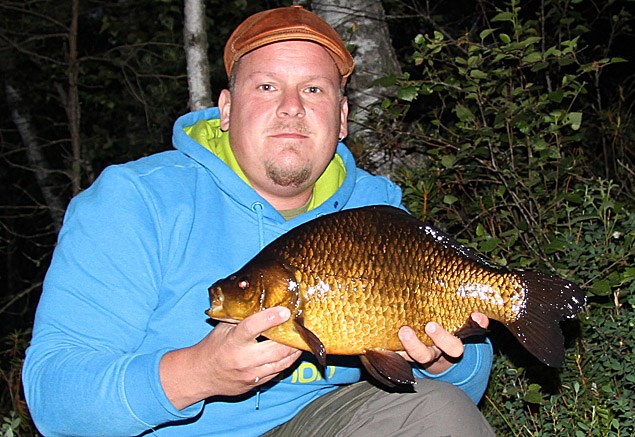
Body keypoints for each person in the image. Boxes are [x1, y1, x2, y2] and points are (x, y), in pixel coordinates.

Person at [23, 5, 495, 436]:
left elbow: (466, 383)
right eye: (267, 86)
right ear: (226, 109)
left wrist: (439, 360)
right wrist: (198, 373)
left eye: (313, 89)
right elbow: (53, 397)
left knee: (439, 413)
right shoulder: (136, 201)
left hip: (318, 424)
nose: (292, 106)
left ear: (342, 117)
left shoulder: (373, 209)